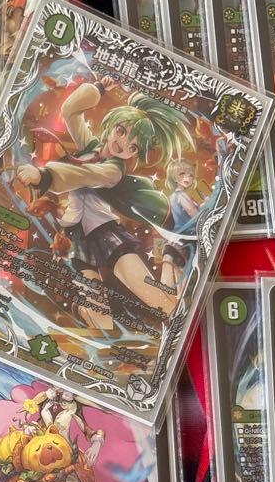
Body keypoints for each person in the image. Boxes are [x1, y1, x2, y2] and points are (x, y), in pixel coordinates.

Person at [15, 79, 192, 329]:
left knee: (158, 302)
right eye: (121, 131)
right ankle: (85, 311)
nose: (122, 143)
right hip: (78, 239)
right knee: (102, 320)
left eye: (132, 146)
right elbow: (70, 112)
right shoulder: (91, 147)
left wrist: (44, 176)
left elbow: (86, 175)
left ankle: (179, 302)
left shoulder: (113, 171)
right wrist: (97, 88)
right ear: (112, 125)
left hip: (106, 235)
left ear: (134, 153)